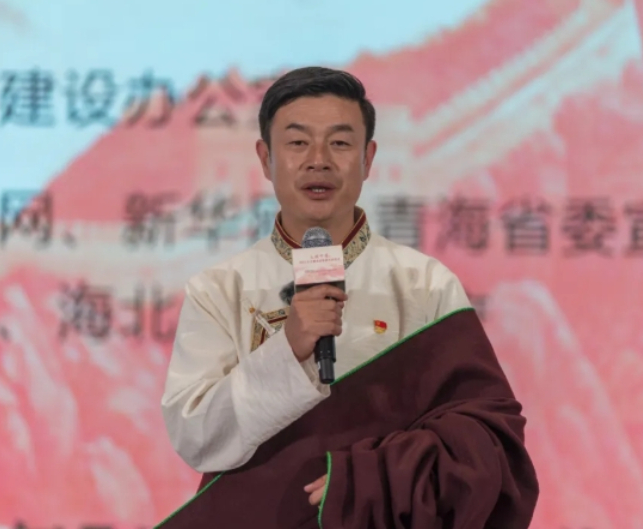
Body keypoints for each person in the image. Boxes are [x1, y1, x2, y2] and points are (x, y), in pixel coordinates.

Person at [160, 66, 538, 528]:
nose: (318, 160)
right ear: (265, 158)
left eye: (339, 143)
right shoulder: (220, 289)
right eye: (297, 143)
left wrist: (372, 479)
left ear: (368, 158)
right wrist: (289, 349)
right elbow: (195, 436)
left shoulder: (425, 284)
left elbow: (488, 439)